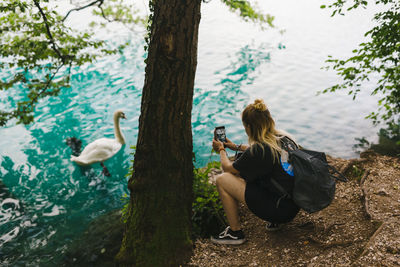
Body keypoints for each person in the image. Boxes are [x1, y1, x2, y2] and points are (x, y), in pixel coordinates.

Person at [211, 99, 300, 245]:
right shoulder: (283, 137)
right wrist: (236, 147)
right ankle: (274, 222)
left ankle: (235, 233)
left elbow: (227, 168)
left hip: (279, 210)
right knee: (247, 169)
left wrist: (221, 148)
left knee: (222, 179)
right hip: (292, 206)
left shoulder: (259, 150)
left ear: (249, 126)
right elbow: (259, 151)